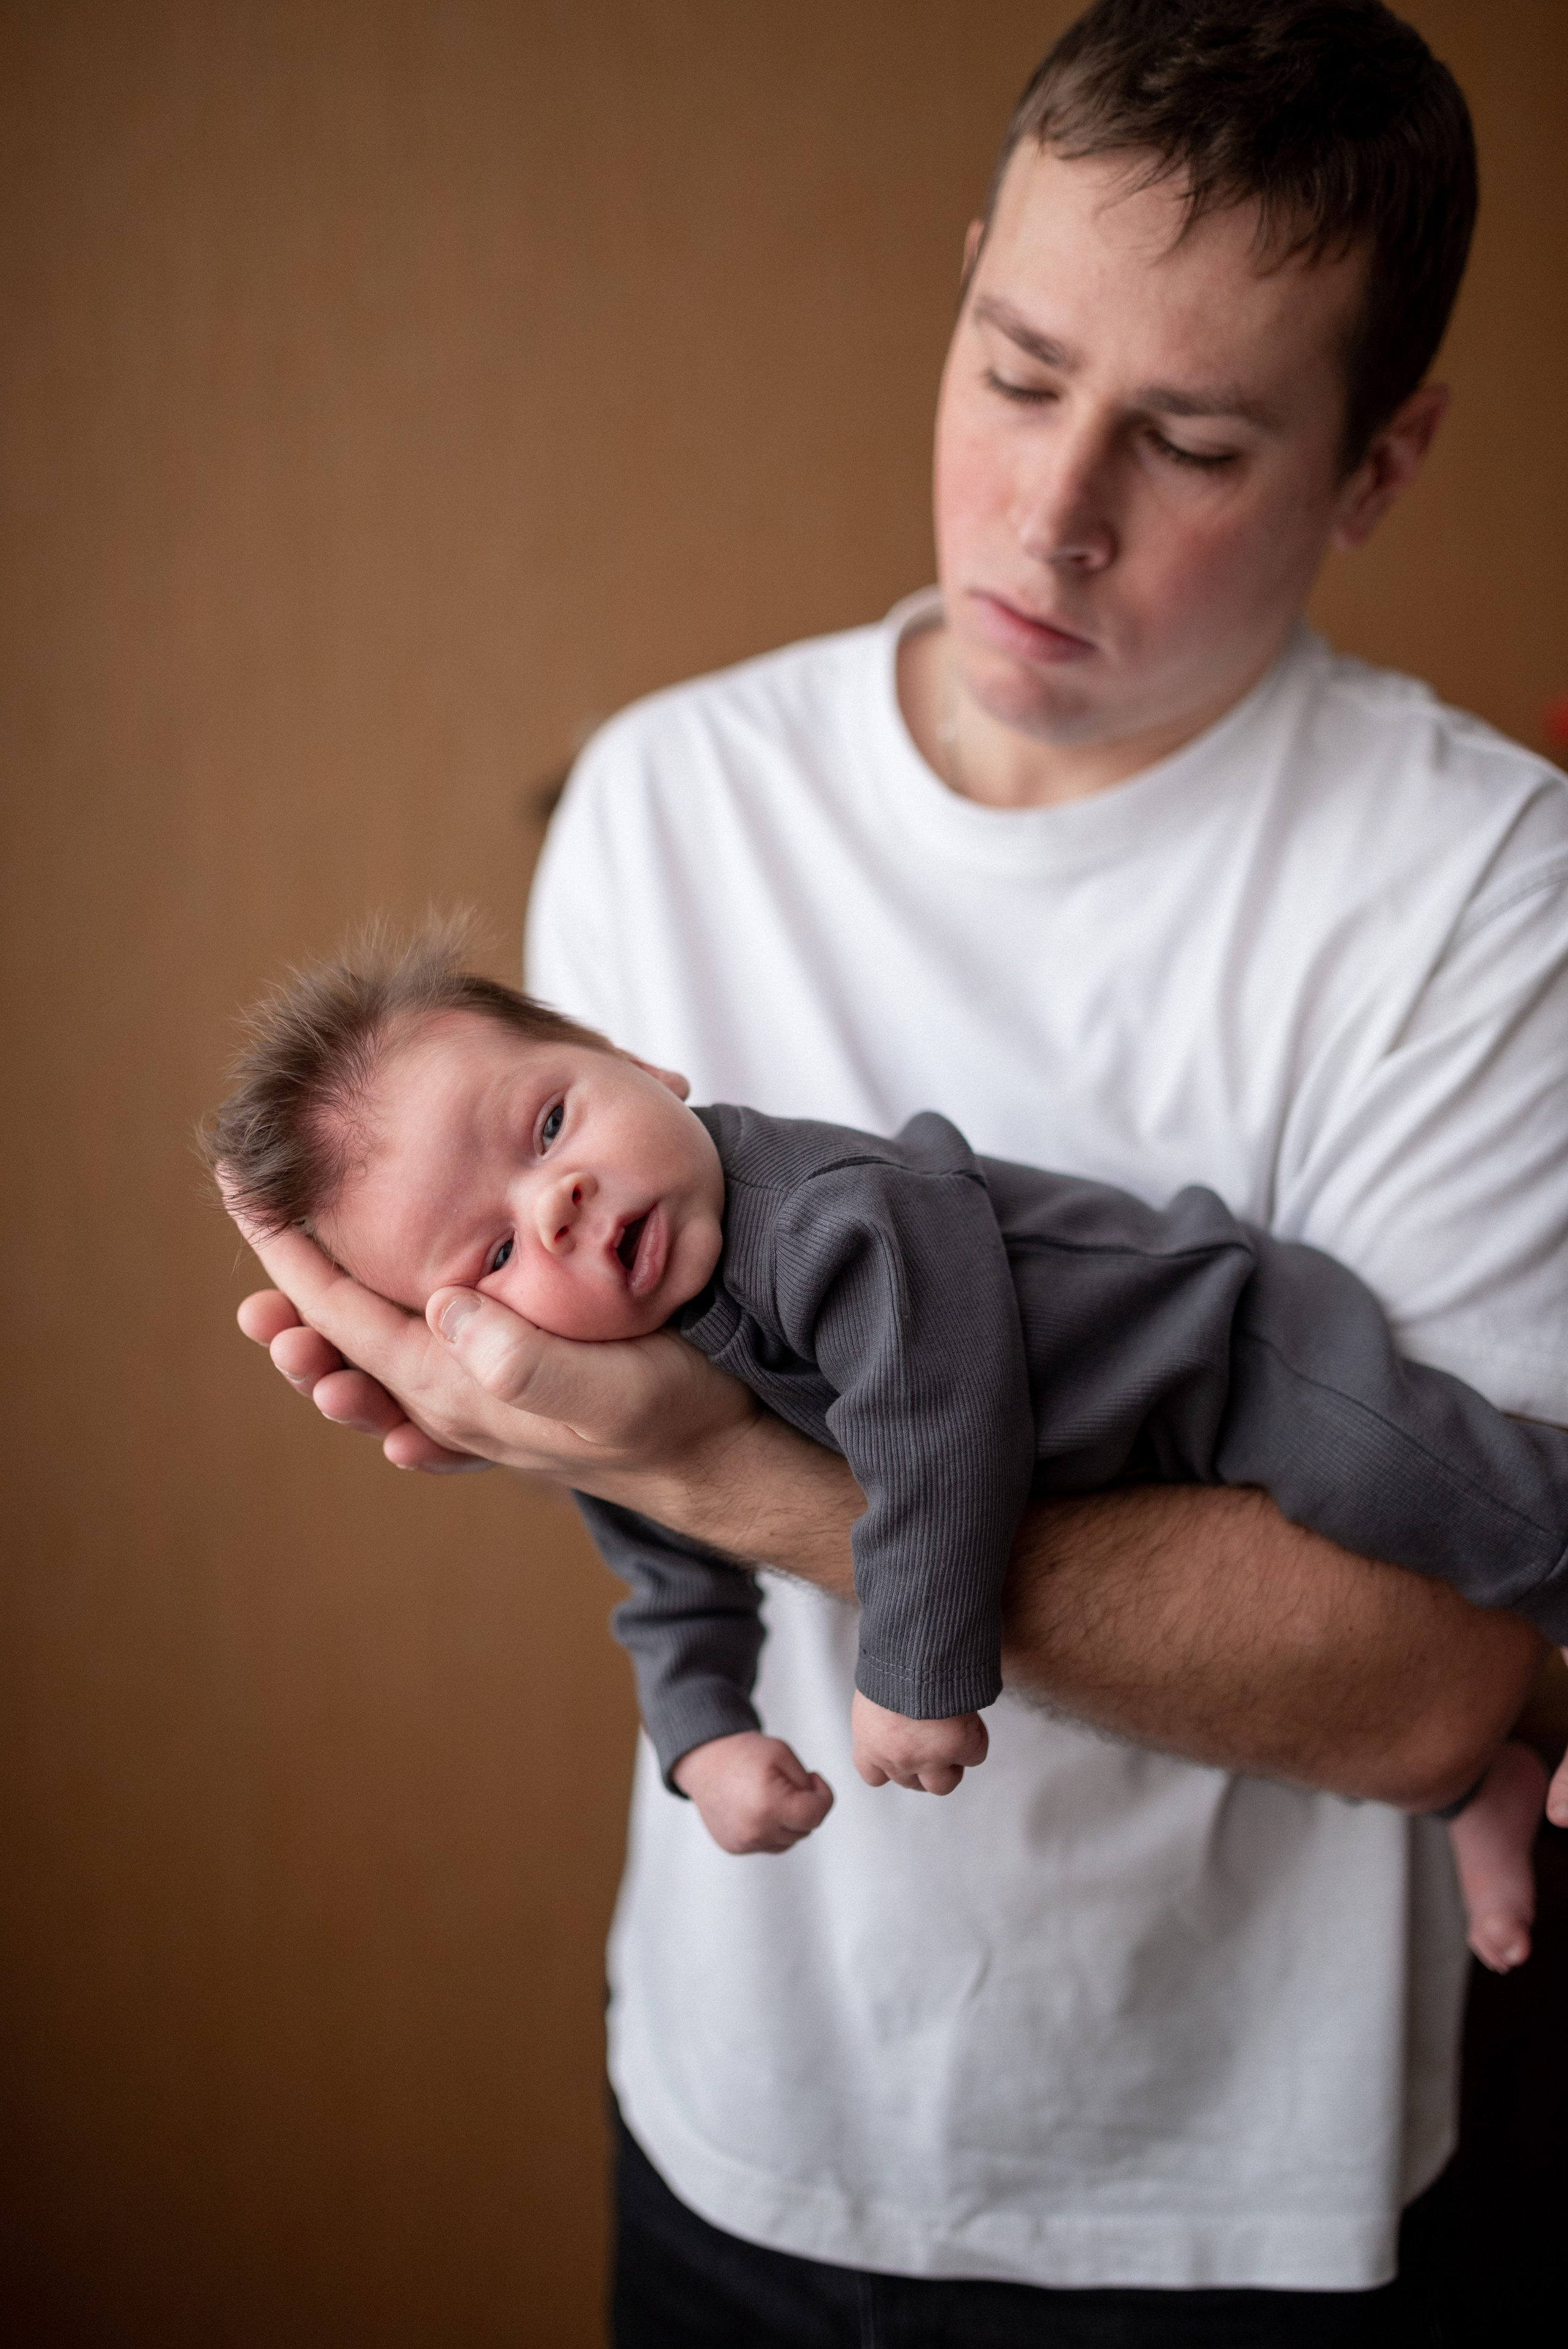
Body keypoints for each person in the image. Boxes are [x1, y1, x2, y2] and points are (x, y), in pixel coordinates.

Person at [232, 2, 1568, 2337]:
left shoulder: (1489, 892)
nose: (1051, 514)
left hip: (1233, 2204)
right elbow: (617, 1462)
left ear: (1379, 461)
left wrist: (736, 1475)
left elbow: (1425, 1678)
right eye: (1019, 367)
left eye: (1192, 437)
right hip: (739, 2127)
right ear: (963, 285)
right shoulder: (669, 799)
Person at [211, 934, 1559, 1974]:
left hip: (1216, 1349)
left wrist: (912, 1664)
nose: (553, 1202)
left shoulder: (827, 1217)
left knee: (1394, 1475)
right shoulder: (625, 1372)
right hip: (1131, 1470)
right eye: (493, 1254)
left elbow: (935, 1411)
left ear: (641, 1064)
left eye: (551, 1122)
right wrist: (703, 1736)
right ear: (459, 1335)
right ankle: (1472, 1784)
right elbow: (660, 1546)